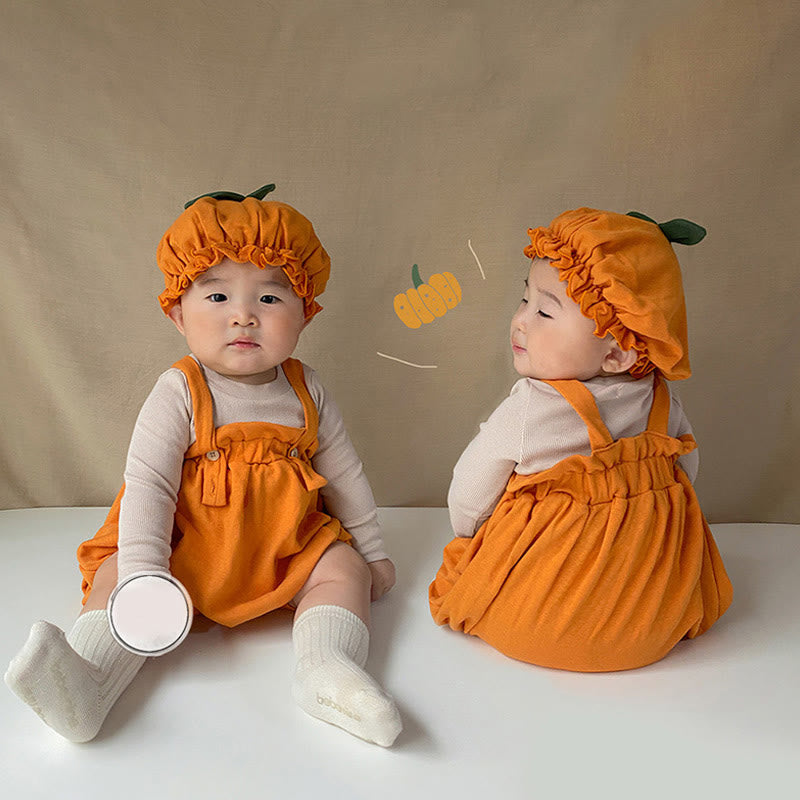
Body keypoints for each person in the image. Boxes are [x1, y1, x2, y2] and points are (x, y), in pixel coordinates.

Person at [5, 185, 402, 746]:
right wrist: (146, 570)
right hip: (182, 548)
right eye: (217, 298)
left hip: (282, 548)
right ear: (177, 313)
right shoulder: (181, 391)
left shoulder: (307, 389)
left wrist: (372, 550)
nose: (243, 316)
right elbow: (149, 483)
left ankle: (327, 669)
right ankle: (88, 682)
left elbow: (345, 475)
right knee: (119, 573)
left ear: (304, 313)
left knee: (343, 570)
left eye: (269, 298)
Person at [429, 207, 733, 672]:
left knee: (488, 570)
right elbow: (685, 472)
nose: (521, 321)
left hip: (539, 616)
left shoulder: (535, 407)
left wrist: (470, 536)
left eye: (546, 311)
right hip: (647, 617)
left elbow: (471, 487)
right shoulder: (657, 399)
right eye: (525, 299)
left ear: (616, 352)